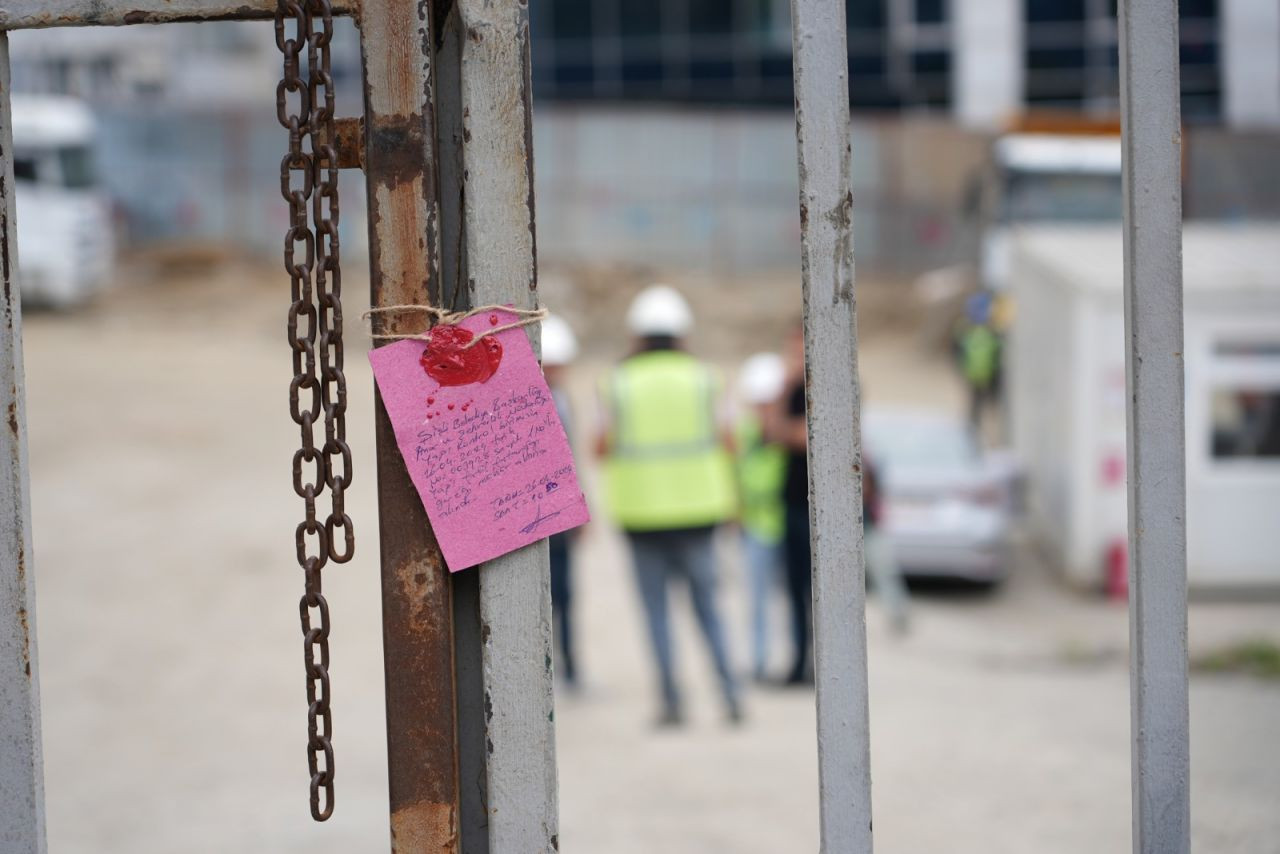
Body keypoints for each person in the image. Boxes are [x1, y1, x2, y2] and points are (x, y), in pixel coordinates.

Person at [596, 284, 742, 726]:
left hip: (641, 514)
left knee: (656, 612)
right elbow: (730, 440)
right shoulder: (705, 379)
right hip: (700, 512)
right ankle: (731, 697)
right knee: (708, 607)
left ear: (636, 334)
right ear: (682, 333)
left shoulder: (617, 383)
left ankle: (672, 703)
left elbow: (600, 445)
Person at [734, 352, 788, 681]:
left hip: (786, 525)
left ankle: (798, 658)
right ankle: (759, 660)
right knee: (757, 600)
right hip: (757, 527)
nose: (763, 410)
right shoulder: (745, 432)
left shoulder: (790, 435)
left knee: (796, 600)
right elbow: (736, 472)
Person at [771, 324, 814, 685]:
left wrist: (789, 430)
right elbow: (773, 431)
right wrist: (786, 384)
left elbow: (805, 438)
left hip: (820, 510)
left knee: (822, 591)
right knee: (795, 589)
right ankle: (800, 664)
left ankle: (821, 662)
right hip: (792, 503)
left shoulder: (837, 382)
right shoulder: (790, 390)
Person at [542, 314, 581, 688]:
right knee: (542, 593)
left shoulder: (564, 399)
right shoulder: (532, 401)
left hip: (561, 513)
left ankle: (569, 666)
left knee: (565, 595)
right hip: (539, 515)